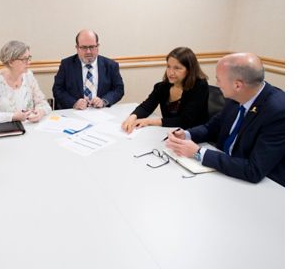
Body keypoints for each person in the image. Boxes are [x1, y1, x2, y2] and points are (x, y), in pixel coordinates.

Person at [165, 53, 284, 186]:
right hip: (223, 171)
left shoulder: (279, 112)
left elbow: (254, 170)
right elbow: (211, 127)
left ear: (237, 85)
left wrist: (198, 153)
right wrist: (186, 135)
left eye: (219, 80)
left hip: (261, 186)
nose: (216, 84)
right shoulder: (238, 95)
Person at [121, 47, 209, 133]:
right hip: (169, 132)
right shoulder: (162, 86)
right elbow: (147, 106)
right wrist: (132, 117)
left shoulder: (200, 86)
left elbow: (185, 121)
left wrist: (149, 121)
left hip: (193, 135)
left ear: (189, 70)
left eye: (177, 68)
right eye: (168, 66)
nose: (171, 72)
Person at [0, 40, 52, 123]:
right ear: (11, 62)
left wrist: (40, 113)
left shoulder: (29, 76)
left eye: (29, 58)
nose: (29, 62)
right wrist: (13, 117)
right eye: (24, 59)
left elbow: (43, 104)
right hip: (6, 130)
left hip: (30, 128)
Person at [52, 29, 124, 110]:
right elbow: (57, 90)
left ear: (97, 46)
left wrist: (104, 101)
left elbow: (119, 89)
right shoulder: (66, 65)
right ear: (77, 48)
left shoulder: (111, 65)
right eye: (84, 47)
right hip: (74, 113)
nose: (88, 51)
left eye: (92, 47)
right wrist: (74, 103)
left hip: (101, 112)